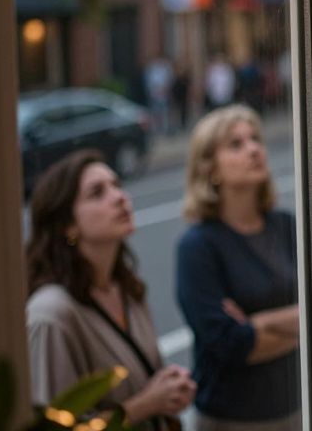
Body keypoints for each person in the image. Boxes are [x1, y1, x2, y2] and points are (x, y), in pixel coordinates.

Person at [26, 150, 195, 431]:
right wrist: (146, 404)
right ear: (67, 224)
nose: (119, 197)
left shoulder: (127, 290)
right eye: (97, 193)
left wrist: (170, 389)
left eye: (116, 185)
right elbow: (54, 427)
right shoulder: (52, 315)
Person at [176, 105, 300, 431]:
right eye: (236, 144)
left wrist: (259, 322)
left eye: (255, 139)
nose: (254, 149)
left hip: (299, 405)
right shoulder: (198, 247)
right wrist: (308, 323)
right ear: (210, 169)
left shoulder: (287, 227)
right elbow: (231, 345)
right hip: (230, 419)